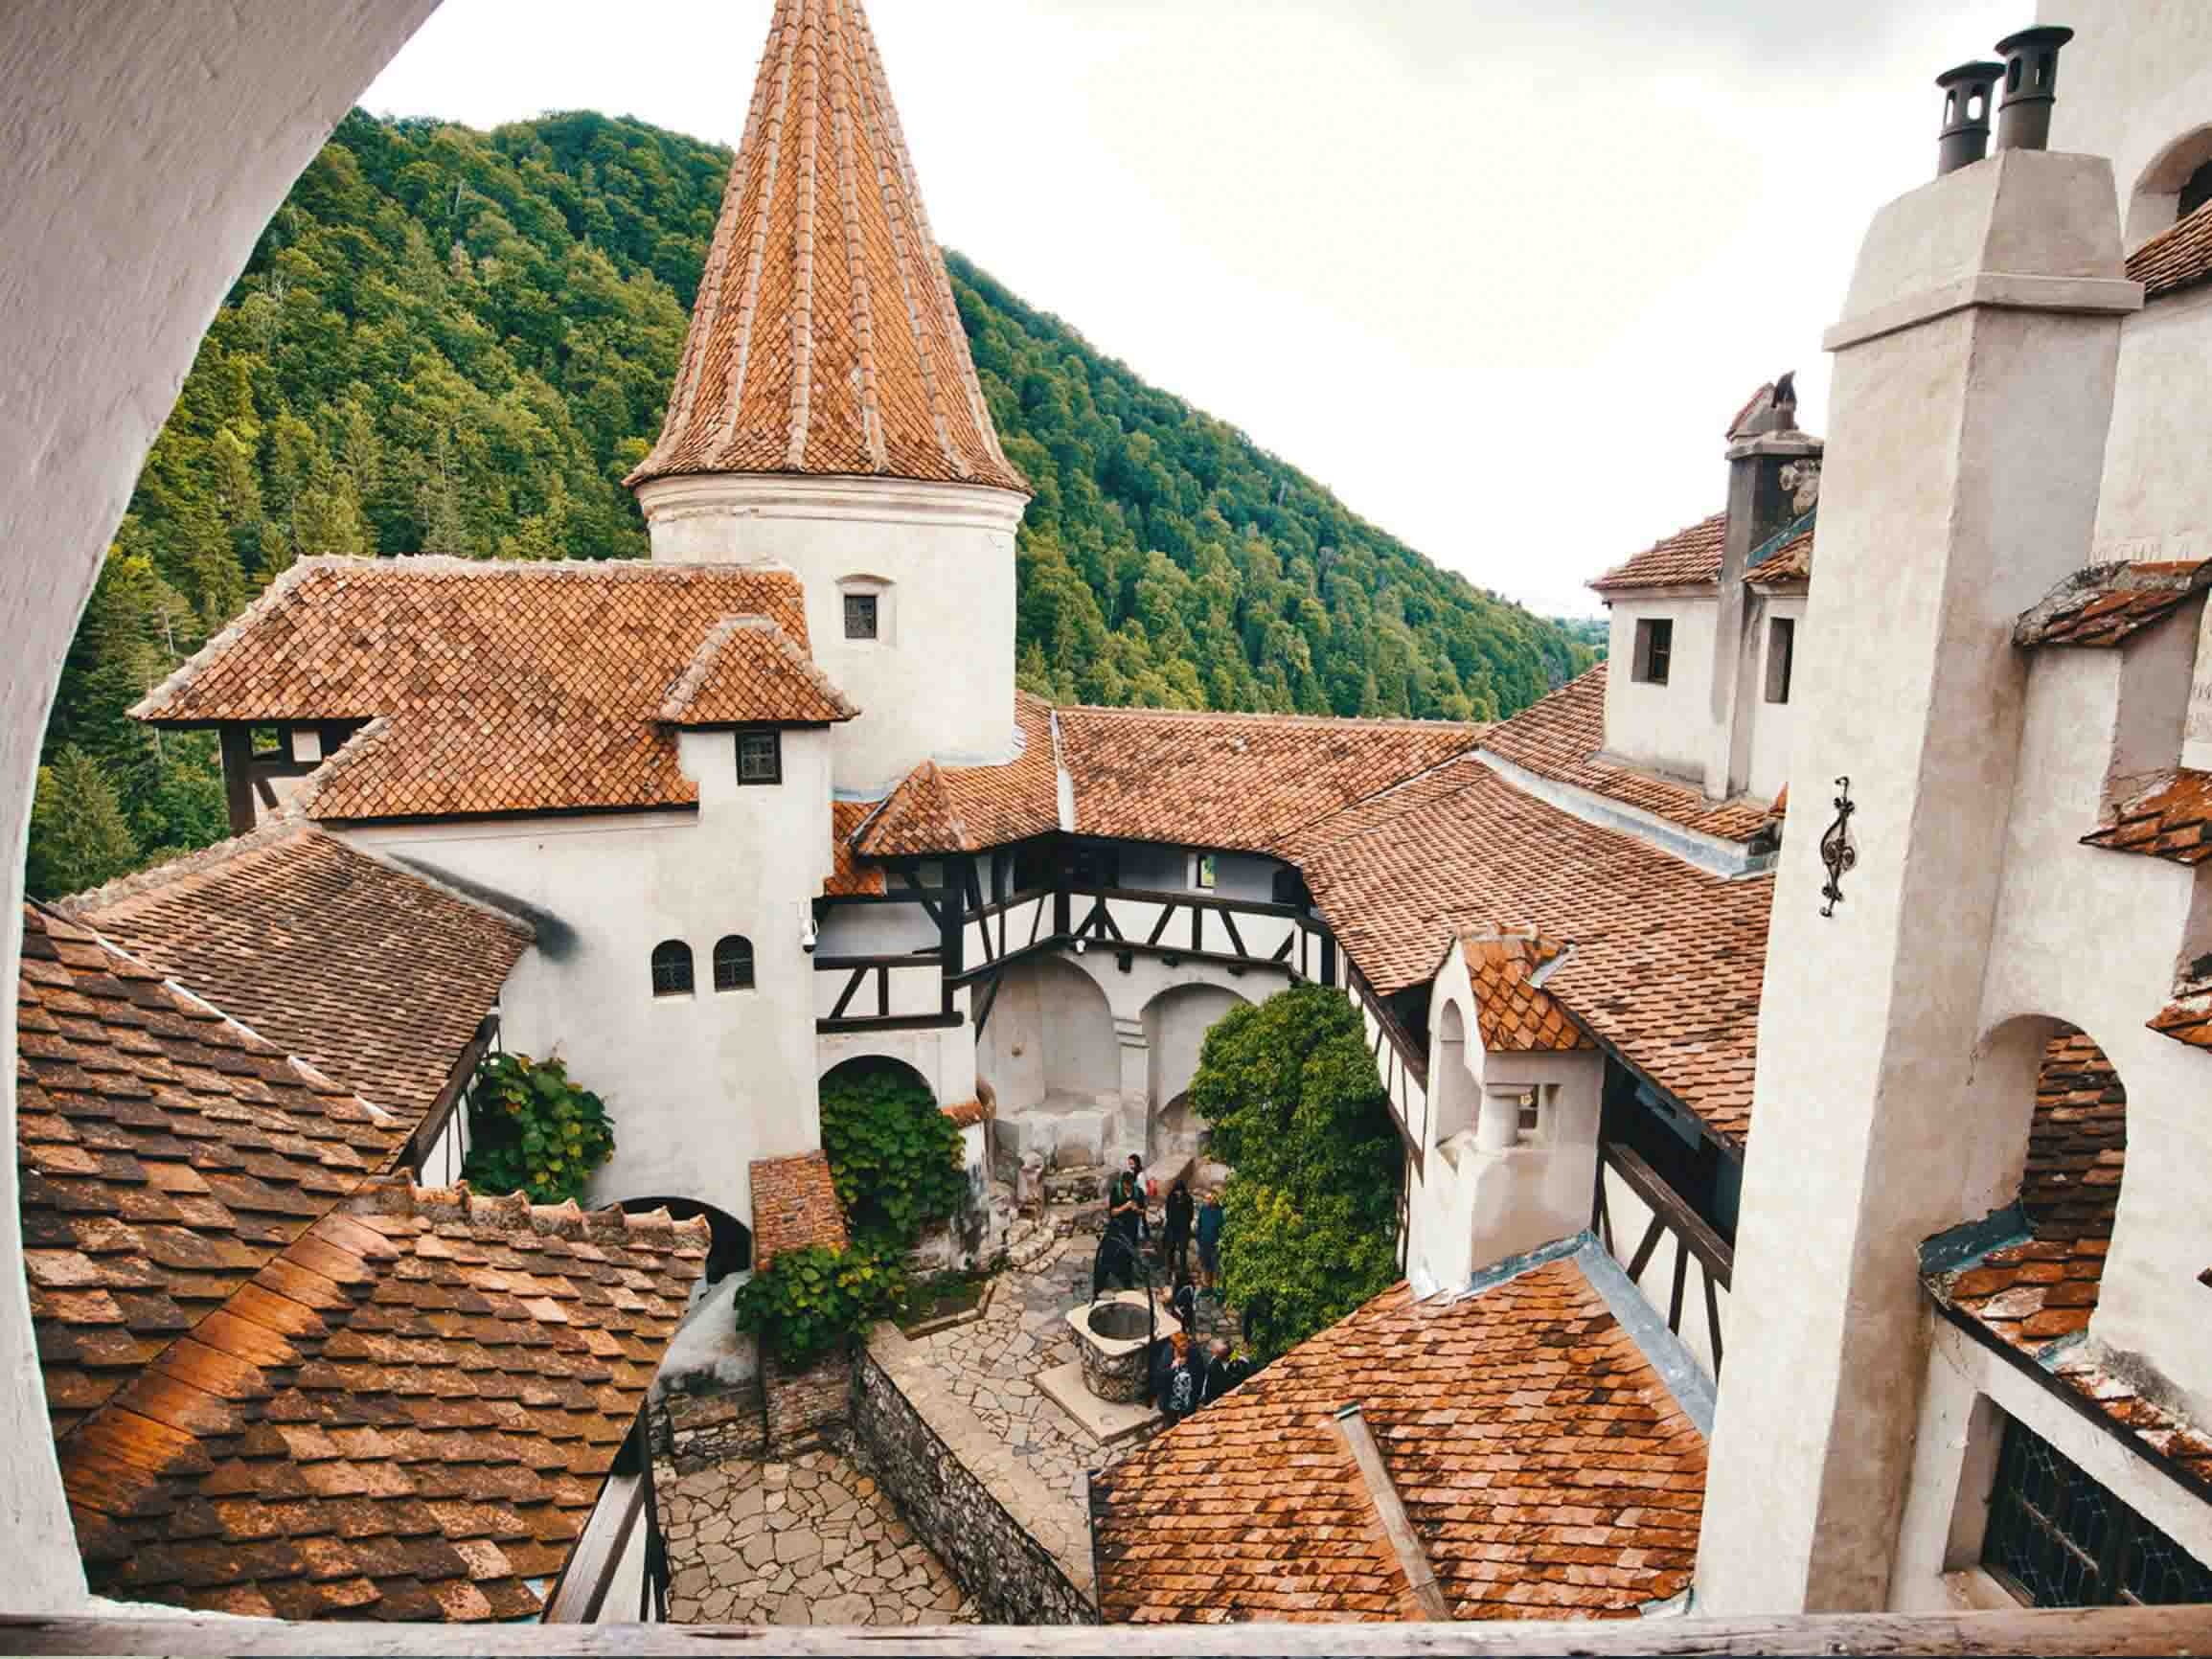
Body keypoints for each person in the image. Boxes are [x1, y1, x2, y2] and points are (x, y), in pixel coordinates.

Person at [1160, 1330, 1199, 1424]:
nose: (1186, 1348)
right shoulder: (1167, 1356)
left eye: (1186, 1344)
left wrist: (1195, 1397)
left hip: (1188, 1399)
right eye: (1182, 1346)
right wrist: (1173, 1367)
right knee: (1171, 1424)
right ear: (1174, 1346)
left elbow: (1199, 1375)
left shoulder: (1193, 1352)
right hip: (1171, 1399)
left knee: (1188, 1424)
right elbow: (1161, 1377)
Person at [1162, 1178, 1194, 1282]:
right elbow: (1168, 1213)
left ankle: (1183, 1274)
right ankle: (1169, 1274)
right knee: (1170, 1251)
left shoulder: (1188, 1199)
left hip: (1183, 1229)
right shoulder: (1170, 1198)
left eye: (1180, 1191)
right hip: (1172, 1228)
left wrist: (1183, 1223)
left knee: (1183, 1251)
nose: (1178, 1193)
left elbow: (1190, 1215)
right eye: (1177, 1191)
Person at [1195, 1187, 1224, 1293]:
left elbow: (1223, 1228)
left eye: (1210, 1198)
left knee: (1216, 1268)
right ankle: (1207, 1288)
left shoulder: (1221, 1211)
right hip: (1204, 1243)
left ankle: (1216, 1290)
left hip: (1215, 1245)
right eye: (1207, 1198)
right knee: (1205, 1267)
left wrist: (1221, 1242)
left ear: (1215, 1199)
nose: (1208, 1200)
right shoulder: (1203, 1209)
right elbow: (1199, 1224)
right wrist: (1198, 1238)